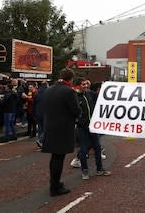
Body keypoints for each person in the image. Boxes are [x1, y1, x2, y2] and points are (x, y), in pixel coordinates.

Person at [41, 68, 81, 197]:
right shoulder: (69, 91)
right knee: (59, 157)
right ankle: (55, 187)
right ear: (71, 78)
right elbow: (76, 111)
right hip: (63, 128)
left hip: (50, 126)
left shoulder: (49, 89)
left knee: (54, 157)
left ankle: (55, 183)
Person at [73, 78, 111, 179]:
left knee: (97, 147)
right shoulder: (74, 97)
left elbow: (101, 98)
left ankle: (99, 169)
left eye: (86, 84)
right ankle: (85, 171)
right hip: (82, 127)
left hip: (93, 126)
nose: (85, 86)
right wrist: (78, 120)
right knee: (83, 150)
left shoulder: (90, 94)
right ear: (77, 86)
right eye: (83, 84)